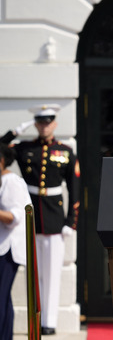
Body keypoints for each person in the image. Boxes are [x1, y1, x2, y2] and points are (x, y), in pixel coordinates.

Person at [0, 104, 80, 335]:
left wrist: (70, 221)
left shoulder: (65, 151)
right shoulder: (24, 148)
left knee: (52, 272)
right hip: (28, 215)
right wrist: (16, 131)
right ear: (35, 124)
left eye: (48, 122)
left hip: (54, 218)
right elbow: (2, 147)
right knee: (33, 274)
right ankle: (35, 317)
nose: (44, 126)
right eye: (40, 122)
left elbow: (74, 187)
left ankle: (49, 321)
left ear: (54, 124)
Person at [0, 143, 31, 340]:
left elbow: (16, 216)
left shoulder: (11, 181)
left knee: (1, 299)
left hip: (7, 249)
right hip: (3, 247)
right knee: (3, 299)